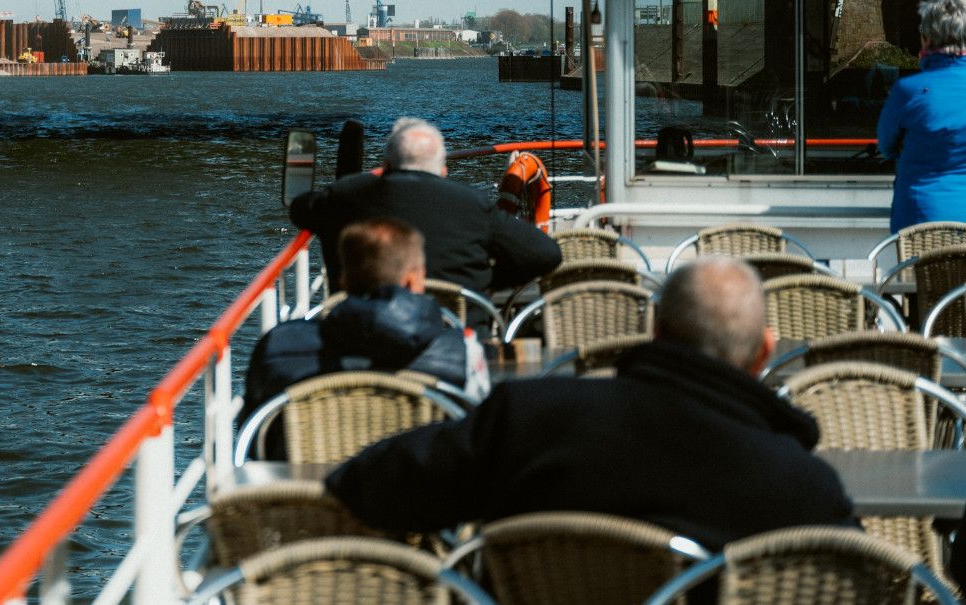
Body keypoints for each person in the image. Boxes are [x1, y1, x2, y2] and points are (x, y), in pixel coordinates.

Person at [325, 258, 855, 548]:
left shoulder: (530, 419)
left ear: (654, 329)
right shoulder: (805, 490)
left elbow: (371, 484)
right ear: (764, 352)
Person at [239, 218, 486, 458]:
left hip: (312, 495)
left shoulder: (278, 346)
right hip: (421, 492)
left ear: (344, 279)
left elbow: (255, 441)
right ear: (412, 280)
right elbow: (477, 437)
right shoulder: (462, 351)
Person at [289, 116, 560, 297]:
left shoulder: (344, 195)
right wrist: (486, 281)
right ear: (443, 169)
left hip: (364, 347)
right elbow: (547, 254)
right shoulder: (472, 204)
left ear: (386, 164)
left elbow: (299, 208)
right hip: (456, 342)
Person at [879, 0, 966, 232]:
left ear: (927, 38)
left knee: (922, 271)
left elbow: (886, 145)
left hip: (921, 221)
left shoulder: (909, 90)